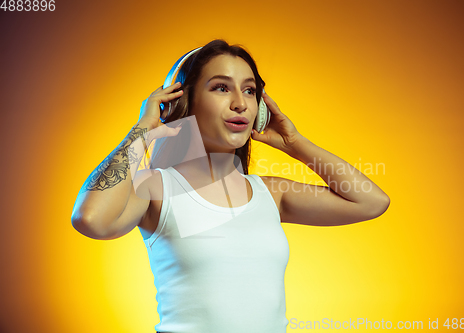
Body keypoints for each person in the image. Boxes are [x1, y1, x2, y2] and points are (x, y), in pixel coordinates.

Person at [71, 39, 390, 333]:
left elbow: (371, 202)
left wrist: (294, 143)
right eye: (221, 88)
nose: (240, 103)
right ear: (183, 102)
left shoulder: (271, 193)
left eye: (250, 91)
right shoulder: (157, 187)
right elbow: (91, 219)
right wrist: (142, 130)